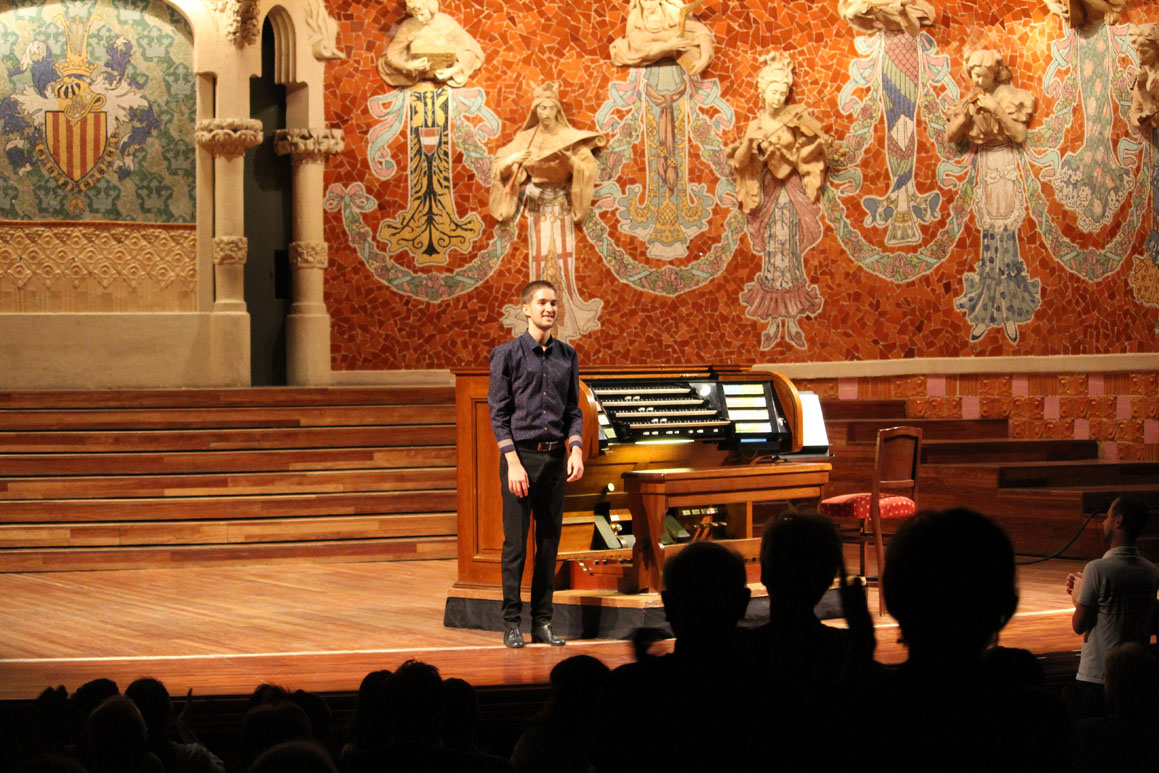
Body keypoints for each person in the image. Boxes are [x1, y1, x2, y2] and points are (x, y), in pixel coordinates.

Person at [488, 280, 584, 648]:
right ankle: (511, 623)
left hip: (555, 458)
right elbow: (499, 414)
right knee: (516, 546)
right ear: (525, 309)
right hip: (520, 457)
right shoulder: (507, 354)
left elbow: (574, 409)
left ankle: (543, 622)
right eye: (542, 303)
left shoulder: (567, 355)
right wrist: (512, 461)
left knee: (548, 544)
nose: (550, 309)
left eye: (554, 303)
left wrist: (575, 449)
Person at [727, 52, 829, 349]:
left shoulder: (796, 119)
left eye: (783, 92)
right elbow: (741, 162)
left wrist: (783, 154)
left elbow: (807, 155)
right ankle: (774, 319)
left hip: (792, 193)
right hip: (769, 193)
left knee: (790, 249)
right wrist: (751, 143)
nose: (778, 97)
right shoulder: (757, 124)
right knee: (773, 249)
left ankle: (794, 317)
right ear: (763, 92)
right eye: (773, 91)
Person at [490, 84, 606, 343]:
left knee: (564, 256)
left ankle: (569, 313)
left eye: (550, 107)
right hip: (537, 203)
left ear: (557, 109)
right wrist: (513, 159)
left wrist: (572, 161)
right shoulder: (527, 137)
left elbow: (587, 165)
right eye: (541, 107)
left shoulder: (567, 136)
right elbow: (500, 164)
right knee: (538, 258)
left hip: (562, 204)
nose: (545, 112)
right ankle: (532, 317)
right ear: (535, 110)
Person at [1066, 495, 1159, 719]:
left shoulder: (1097, 569)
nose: (1104, 521)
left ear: (1118, 521)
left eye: (1108, 516)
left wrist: (1079, 597)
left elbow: (1079, 625)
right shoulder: (1151, 571)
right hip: (1135, 676)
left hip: (1096, 677)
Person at [376, 0, 484, 88]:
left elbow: (471, 51)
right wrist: (409, 66)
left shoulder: (447, 24)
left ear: (431, 9)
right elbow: (391, 55)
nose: (419, 18)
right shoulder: (408, 27)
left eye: (422, 14)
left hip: (446, 80)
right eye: (415, 14)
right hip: (415, 82)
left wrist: (451, 71)